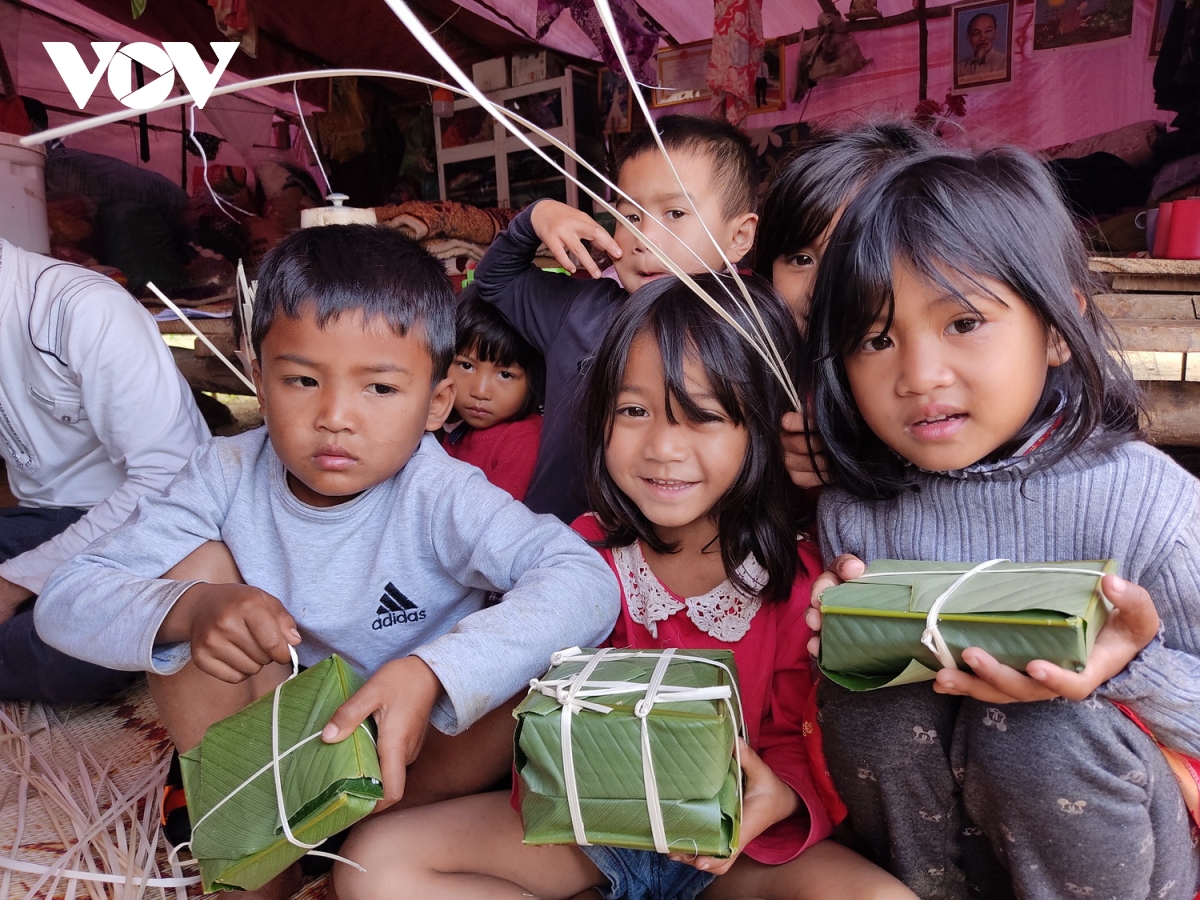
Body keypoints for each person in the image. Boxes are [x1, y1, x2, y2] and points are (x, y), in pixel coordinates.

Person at [35, 224, 620, 900]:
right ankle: (259, 867)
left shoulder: (440, 493)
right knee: (193, 574)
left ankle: (351, 839)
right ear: (258, 379)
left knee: (518, 663)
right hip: (285, 750)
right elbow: (66, 600)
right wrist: (192, 611)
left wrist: (433, 671)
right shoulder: (222, 473)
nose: (336, 416)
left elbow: (584, 582)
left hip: (416, 757)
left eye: (379, 389)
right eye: (303, 379)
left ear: (435, 404)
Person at [332, 273, 917, 900]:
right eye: (634, 411)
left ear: (771, 426)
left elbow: (799, 737)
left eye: (706, 415)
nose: (663, 448)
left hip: (733, 849)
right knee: (374, 864)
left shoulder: (795, 583)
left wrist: (777, 798)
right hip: (585, 836)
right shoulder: (575, 562)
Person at [803, 148, 1200, 898]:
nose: (919, 375)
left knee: (1041, 721)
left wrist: (1130, 666)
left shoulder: (1147, 503)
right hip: (936, 864)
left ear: (1056, 329)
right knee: (869, 695)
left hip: (1119, 857)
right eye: (876, 339)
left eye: (963, 322)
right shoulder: (855, 511)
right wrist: (846, 642)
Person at [474, 114, 760, 522]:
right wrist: (538, 216)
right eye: (629, 216)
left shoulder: (748, 330)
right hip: (558, 543)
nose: (644, 238)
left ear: (738, 237)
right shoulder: (579, 311)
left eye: (675, 214)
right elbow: (495, 280)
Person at [0, 238, 209, 702]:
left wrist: (14, 582)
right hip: (45, 521)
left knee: (69, 664)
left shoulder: (81, 308)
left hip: (144, 523)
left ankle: (62, 628)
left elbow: (169, 480)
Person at [753, 120, 939, 491]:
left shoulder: (933, 375)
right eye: (800, 259)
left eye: (855, 254)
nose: (823, 285)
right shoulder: (759, 374)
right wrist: (763, 455)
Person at [442, 290, 545, 502]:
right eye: (466, 366)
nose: (480, 392)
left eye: (505, 375)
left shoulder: (523, 440)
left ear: (534, 380)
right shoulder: (452, 422)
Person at [956, 12, 1007, 83]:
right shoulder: (961, 68)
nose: (982, 38)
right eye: (976, 33)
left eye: (988, 31)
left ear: (995, 34)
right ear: (968, 38)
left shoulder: (1006, 62)